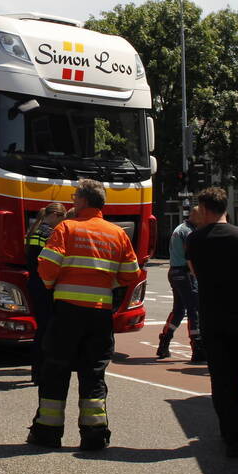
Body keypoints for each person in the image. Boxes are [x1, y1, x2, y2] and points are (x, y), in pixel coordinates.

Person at [26, 179, 140, 451]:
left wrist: (54, 286)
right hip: (100, 314)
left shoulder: (67, 227)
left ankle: (47, 433)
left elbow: (47, 265)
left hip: (67, 312)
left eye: (76, 197)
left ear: (84, 201)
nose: (73, 201)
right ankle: (94, 434)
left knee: (56, 368)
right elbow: (131, 274)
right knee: (94, 373)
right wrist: (106, 284)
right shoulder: (117, 233)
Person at [186, 186, 238, 458]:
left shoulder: (195, 239)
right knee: (236, 375)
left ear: (204, 209)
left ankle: (229, 431)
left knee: (219, 376)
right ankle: (232, 427)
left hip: (213, 316)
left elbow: (195, 273)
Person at [25, 202, 68, 384]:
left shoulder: (35, 230)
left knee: (42, 327)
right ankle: (40, 371)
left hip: (35, 282)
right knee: (46, 329)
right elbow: (52, 260)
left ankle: (37, 370)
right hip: (44, 284)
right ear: (57, 215)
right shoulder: (49, 233)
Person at [157, 206, 203, 363]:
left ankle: (164, 341)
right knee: (193, 309)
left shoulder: (180, 229)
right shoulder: (189, 232)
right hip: (185, 273)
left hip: (175, 272)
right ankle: (197, 348)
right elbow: (191, 256)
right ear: (194, 216)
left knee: (178, 310)